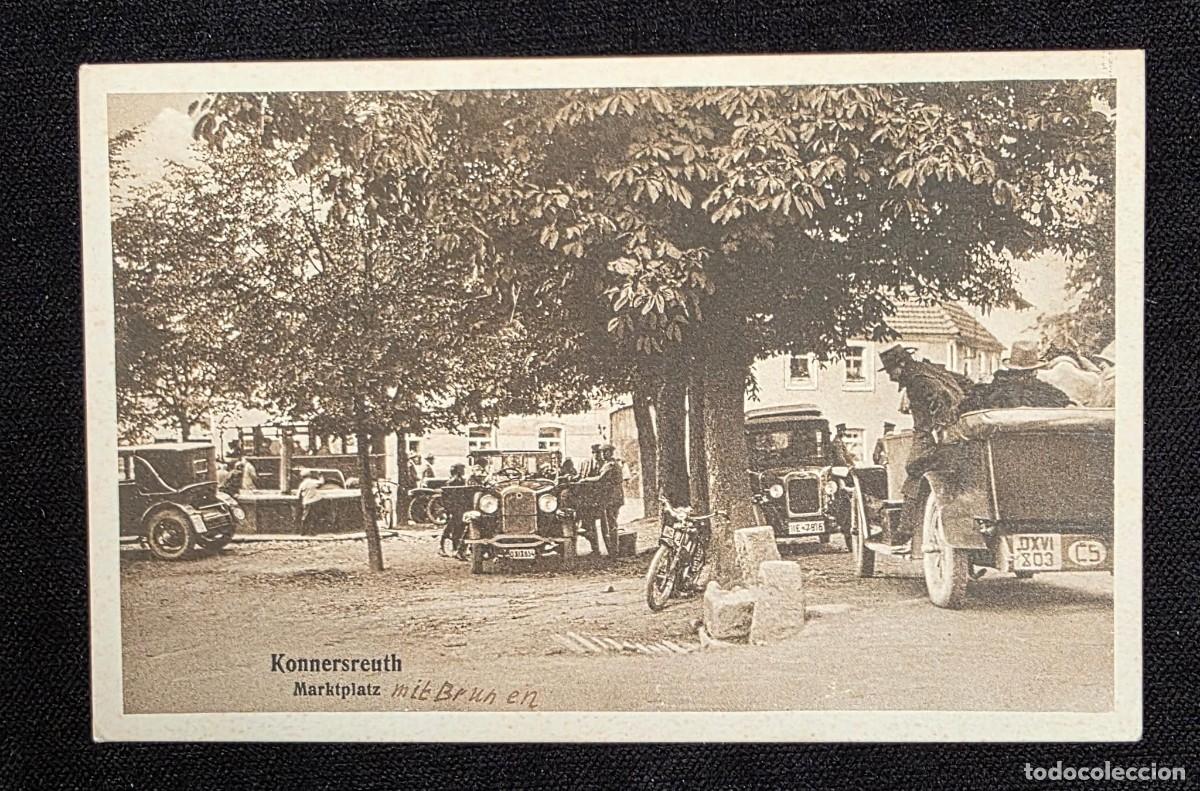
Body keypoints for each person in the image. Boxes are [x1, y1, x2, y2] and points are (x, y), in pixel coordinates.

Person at [878, 344, 970, 541]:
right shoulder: (932, 369)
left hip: (932, 435)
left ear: (901, 365)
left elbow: (937, 396)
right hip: (957, 432)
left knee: (913, 469)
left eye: (890, 371)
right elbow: (966, 384)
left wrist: (940, 427)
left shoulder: (916, 380)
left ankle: (905, 530)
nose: (890, 376)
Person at [959, 339, 1073, 412]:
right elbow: (1066, 403)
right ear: (1034, 371)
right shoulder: (1045, 392)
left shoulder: (993, 390)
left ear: (1011, 368)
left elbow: (966, 408)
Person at [439, 463, 470, 559]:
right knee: (454, 529)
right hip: (457, 508)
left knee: (455, 529)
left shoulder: (456, 481)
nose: (464, 471)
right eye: (462, 469)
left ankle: (453, 548)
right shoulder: (455, 482)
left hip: (457, 508)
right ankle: (447, 548)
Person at [297, 469, 324, 533]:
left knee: (305, 517)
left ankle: (303, 531)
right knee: (314, 517)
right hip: (315, 501)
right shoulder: (313, 482)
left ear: (302, 477)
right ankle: (312, 531)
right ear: (310, 475)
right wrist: (320, 475)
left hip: (306, 502)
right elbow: (322, 482)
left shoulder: (302, 484)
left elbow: (298, 495)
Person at [1089, 341, 1115, 407]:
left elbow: (1102, 404)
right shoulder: (1105, 380)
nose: (1100, 365)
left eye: (1103, 362)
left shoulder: (1112, 382)